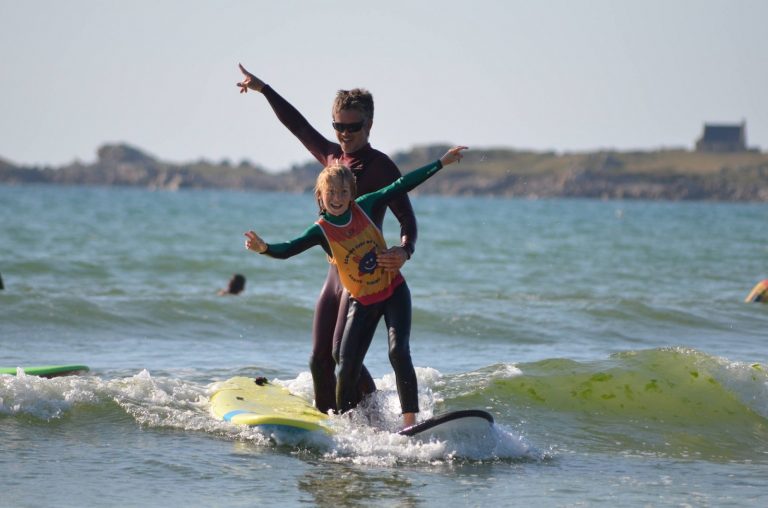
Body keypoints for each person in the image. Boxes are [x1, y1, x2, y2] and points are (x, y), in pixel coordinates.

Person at [237, 64, 418, 413]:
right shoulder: (332, 157)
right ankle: (327, 420)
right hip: (334, 273)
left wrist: (404, 249)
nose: (345, 134)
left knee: (340, 353)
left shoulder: (381, 167)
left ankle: (368, 410)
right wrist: (263, 89)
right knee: (318, 358)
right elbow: (298, 125)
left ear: (369, 125)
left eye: (353, 127)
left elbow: (407, 217)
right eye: (339, 126)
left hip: (363, 273)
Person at [245, 145, 467, 428]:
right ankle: (347, 426)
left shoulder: (367, 205)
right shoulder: (321, 230)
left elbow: (401, 185)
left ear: (352, 195)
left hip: (393, 291)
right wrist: (265, 248)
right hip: (362, 300)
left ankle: (410, 423)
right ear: (321, 197)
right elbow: (290, 248)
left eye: (343, 192)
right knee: (345, 366)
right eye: (331, 193)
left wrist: (440, 163)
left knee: (398, 351)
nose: (337, 198)